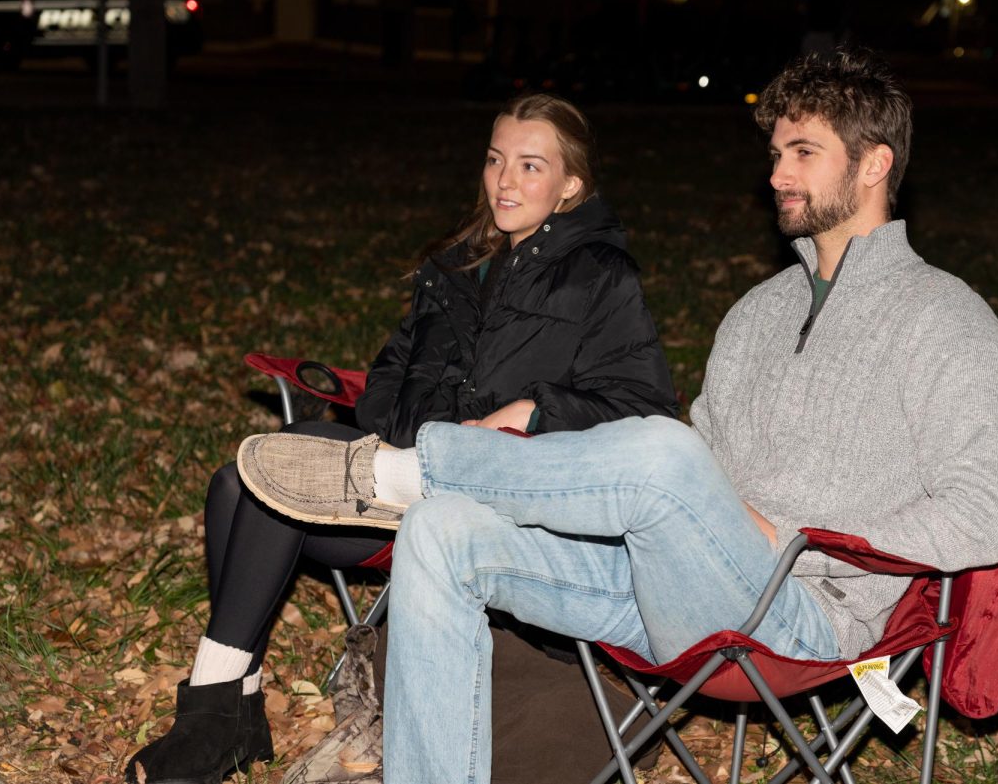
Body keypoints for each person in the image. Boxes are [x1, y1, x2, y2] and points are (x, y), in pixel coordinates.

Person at [234, 49, 998, 784]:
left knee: (662, 450)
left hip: (808, 610)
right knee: (442, 534)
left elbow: (978, 519)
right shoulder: (758, 313)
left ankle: (402, 470)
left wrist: (790, 531)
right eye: (775, 151)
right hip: (676, 581)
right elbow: (700, 470)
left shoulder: (947, 320)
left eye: (802, 152)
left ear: (875, 163)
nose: (776, 172)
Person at [123, 93, 677, 784]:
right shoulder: (455, 266)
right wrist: (414, 425)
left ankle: (216, 718)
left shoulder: (599, 277)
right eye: (496, 160)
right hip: (406, 472)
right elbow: (386, 377)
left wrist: (531, 410)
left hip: (498, 505)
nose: (505, 181)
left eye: (530, 166)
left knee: (271, 489)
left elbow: (644, 407)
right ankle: (231, 705)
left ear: (571, 185)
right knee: (235, 482)